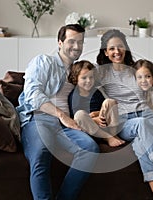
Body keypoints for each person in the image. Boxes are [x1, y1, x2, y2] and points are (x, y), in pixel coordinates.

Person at [96, 29, 153, 200]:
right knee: (141, 126)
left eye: (120, 47)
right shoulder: (101, 73)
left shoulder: (135, 69)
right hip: (123, 121)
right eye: (112, 48)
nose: (117, 52)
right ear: (106, 52)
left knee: (141, 145)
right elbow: (81, 80)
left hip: (146, 115)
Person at [16, 24, 99, 200]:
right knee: (40, 153)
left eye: (80, 42)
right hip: (39, 119)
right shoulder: (44, 61)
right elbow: (33, 95)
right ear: (60, 42)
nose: (76, 47)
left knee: (90, 148)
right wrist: (61, 115)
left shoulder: (78, 71)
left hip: (66, 125)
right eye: (71, 41)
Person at [68, 60, 125, 147]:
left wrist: (98, 114)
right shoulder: (74, 96)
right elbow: (76, 119)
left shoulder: (96, 92)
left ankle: (114, 134)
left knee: (110, 102)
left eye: (91, 77)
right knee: (79, 115)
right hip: (90, 128)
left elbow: (104, 109)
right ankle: (107, 137)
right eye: (84, 78)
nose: (88, 81)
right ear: (75, 78)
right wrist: (94, 119)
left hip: (103, 123)